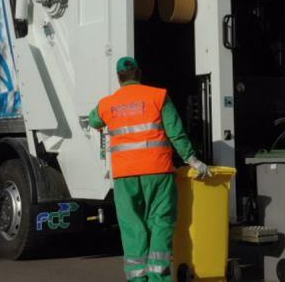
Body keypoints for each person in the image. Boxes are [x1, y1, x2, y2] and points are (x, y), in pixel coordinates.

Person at [89, 56, 211, 282]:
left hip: (125, 176)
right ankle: (159, 278)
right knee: (161, 223)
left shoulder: (107, 103)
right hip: (158, 172)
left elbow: (93, 120)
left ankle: (137, 279)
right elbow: (175, 132)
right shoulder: (158, 96)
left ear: (119, 78)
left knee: (132, 227)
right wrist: (192, 160)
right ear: (140, 73)